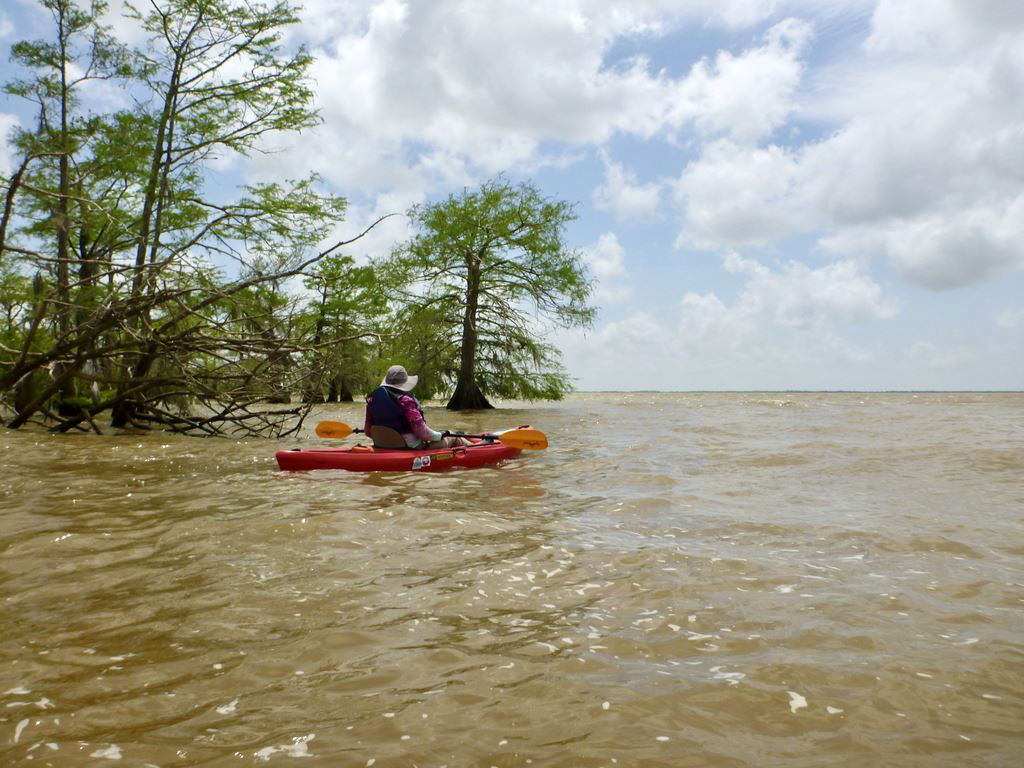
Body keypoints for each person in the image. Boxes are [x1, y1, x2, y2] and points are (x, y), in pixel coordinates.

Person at [364, 365, 468, 449]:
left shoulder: (372, 401)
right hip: (411, 447)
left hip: (382, 446)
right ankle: (478, 446)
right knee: (453, 437)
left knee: (439, 433)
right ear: (404, 383)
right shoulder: (406, 401)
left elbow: (368, 431)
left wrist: (389, 437)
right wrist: (441, 435)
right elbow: (422, 432)